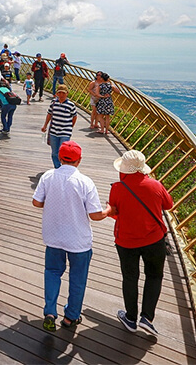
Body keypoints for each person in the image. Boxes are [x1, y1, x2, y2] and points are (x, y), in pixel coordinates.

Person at [32, 141, 111, 332]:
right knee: (77, 278)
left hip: (53, 237)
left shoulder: (48, 177)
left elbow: (36, 202)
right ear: (79, 160)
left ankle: (50, 312)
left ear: (59, 158)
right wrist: (109, 210)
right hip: (79, 241)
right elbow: (95, 215)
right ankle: (71, 317)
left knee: (52, 272)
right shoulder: (85, 182)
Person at [108, 150, 174, 337]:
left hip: (126, 241)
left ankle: (130, 318)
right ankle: (147, 317)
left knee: (130, 278)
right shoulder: (155, 185)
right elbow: (168, 204)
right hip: (154, 240)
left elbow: (115, 213)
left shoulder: (117, 188)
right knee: (154, 276)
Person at [41, 85, 77, 168]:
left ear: (67, 93)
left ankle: (63, 168)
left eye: (63, 93)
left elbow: (74, 117)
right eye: (59, 92)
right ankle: (58, 167)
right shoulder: (54, 103)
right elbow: (49, 114)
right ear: (57, 93)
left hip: (65, 132)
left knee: (63, 150)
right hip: (54, 131)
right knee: (54, 152)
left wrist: (70, 127)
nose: (61, 95)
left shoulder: (71, 105)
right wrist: (45, 125)